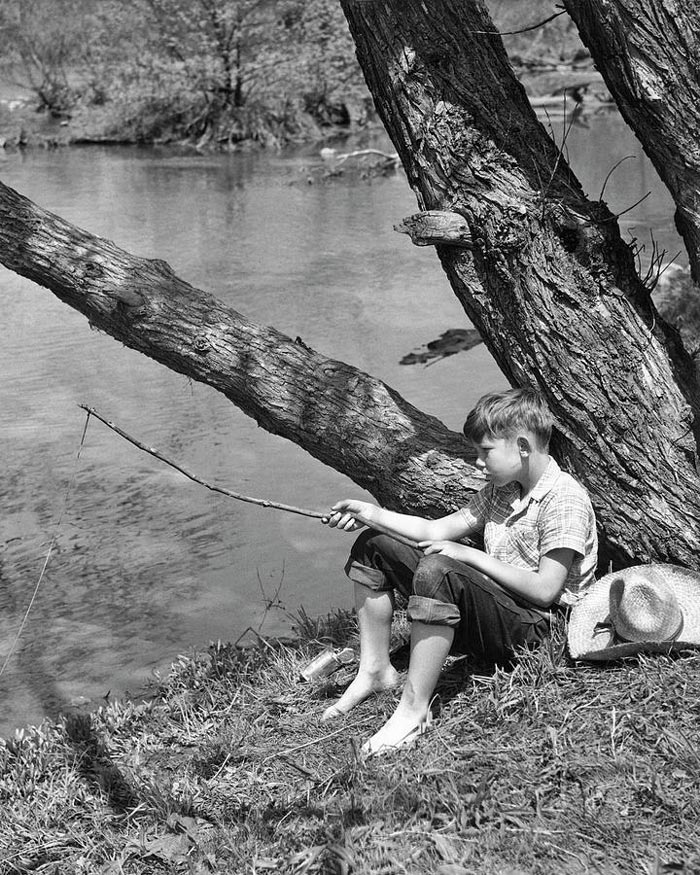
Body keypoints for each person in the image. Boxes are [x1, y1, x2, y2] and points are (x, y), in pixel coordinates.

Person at [322, 387, 597, 755]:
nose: (477, 462)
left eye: (486, 451)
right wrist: (368, 513)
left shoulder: (565, 498)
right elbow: (434, 531)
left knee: (440, 570)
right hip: (499, 609)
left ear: (523, 447)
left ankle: (413, 711)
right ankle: (375, 670)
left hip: (541, 628)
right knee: (376, 544)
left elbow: (547, 591)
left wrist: (471, 558)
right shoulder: (503, 490)